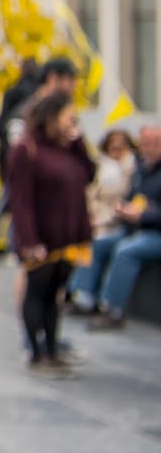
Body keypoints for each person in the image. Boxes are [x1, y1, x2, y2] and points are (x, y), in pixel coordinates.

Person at [5, 90, 95, 376]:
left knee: (55, 295)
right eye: (68, 117)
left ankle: (53, 350)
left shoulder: (67, 148)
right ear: (52, 117)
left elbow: (89, 173)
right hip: (41, 237)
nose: (72, 122)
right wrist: (29, 241)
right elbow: (21, 200)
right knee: (37, 292)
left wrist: (78, 138)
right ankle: (35, 351)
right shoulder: (26, 150)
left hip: (68, 235)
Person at [78, 125, 161, 331]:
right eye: (144, 144)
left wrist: (144, 215)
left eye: (154, 144)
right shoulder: (141, 169)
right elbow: (132, 197)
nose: (148, 149)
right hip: (135, 227)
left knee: (126, 251)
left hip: (154, 232)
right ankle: (85, 298)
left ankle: (113, 309)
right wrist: (123, 207)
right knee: (97, 244)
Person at [68, 129, 137, 315]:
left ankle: (111, 306)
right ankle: (81, 295)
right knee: (91, 243)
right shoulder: (101, 164)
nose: (116, 147)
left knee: (124, 249)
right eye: (113, 143)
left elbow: (123, 192)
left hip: (116, 218)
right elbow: (91, 189)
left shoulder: (131, 165)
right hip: (103, 214)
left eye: (121, 143)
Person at [0, 56, 42, 185]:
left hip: (12, 156)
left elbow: (0, 125)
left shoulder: (12, 92)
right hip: (38, 158)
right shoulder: (42, 94)